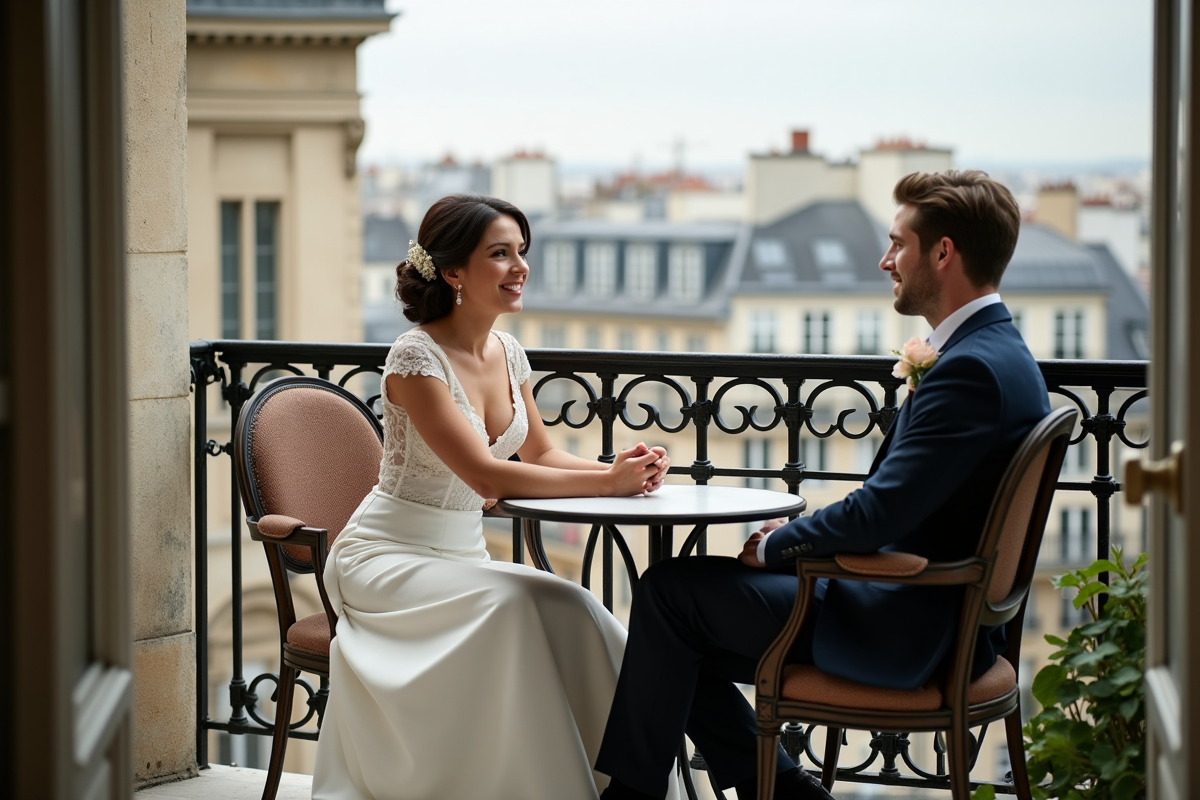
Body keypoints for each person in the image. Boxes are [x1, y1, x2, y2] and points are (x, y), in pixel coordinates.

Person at [595, 170, 1051, 800]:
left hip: (908, 625)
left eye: (899, 244)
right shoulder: (997, 352)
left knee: (669, 596)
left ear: (944, 252)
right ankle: (773, 792)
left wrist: (781, 545)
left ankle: (657, 794)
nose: (885, 259)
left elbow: (879, 515)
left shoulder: (969, 370)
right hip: (936, 611)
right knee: (676, 621)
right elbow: (899, 504)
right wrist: (797, 538)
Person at [313, 194, 675, 800]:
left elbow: (540, 454)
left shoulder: (508, 353)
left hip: (461, 558)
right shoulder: (413, 357)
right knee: (512, 610)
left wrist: (616, 468)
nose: (519, 267)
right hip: (385, 559)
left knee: (575, 605)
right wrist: (607, 484)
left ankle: (629, 783)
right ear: (453, 271)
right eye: (499, 254)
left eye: (521, 253)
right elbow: (486, 475)